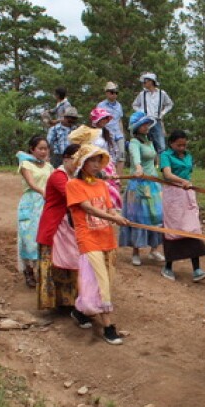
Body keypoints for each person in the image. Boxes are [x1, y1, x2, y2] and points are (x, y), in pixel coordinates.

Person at [66, 145, 130, 345]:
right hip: (88, 239)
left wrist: (117, 216)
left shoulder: (101, 185)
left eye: (98, 161)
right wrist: (114, 218)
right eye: (91, 161)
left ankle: (79, 310)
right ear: (82, 163)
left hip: (106, 238)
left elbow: (110, 209)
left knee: (105, 281)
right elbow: (87, 208)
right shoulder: (73, 185)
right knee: (100, 282)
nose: (95, 165)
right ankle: (108, 327)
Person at [35, 143, 92, 328]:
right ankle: (64, 303)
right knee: (57, 264)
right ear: (66, 158)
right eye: (76, 160)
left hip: (67, 226)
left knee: (71, 263)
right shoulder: (59, 177)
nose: (78, 164)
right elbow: (73, 196)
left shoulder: (72, 176)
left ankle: (70, 302)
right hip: (55, 226)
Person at [160, 130, 205, 282]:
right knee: (174, 230)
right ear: (171, 143)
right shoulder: (165, 156)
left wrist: (186, 184)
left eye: (184, 144)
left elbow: (188, 172)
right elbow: (167, 174)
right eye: (178, 145)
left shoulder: (188, 155)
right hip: (173, 195)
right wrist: (182, 182)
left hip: (187, 194)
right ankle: (168, 266)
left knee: (192, 228)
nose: (182, 148)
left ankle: (197, 269)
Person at [119, 112, 164, 266]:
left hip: (153, 184)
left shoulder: (150, 141)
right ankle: (136, 252)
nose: (146, 127)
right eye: (143, 125)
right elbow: (135, 157)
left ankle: (154, 250)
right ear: (137, 128)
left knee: (157, 215)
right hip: (139, 184)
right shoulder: (134, 142)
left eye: (147, 124)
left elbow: (154, 159)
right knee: (138, 217)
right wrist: (138, 168)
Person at [17, 136, 54, 288]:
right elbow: (31, 183)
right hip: (31, 203)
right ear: (32, 149)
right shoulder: (25, 164)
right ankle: (28, 270)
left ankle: (43, 270)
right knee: (28, 238)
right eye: (40, 148)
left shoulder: (49, 166)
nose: (43, 151)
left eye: (45, 148)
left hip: (46, 203)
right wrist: (42, 191)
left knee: (44, 236)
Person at [132, 72, 173, 155]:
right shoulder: (142, 94)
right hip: (145, 121)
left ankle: (163, 166)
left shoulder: (162, 93)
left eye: (145, 81)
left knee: (161, 145)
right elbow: (134, 105)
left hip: (156, 121)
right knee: (145, 143)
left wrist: (162, 113)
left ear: (151, 81)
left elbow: (170, 104)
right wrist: (141, 113)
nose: (144, 83)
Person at [95, 81, 126, 171]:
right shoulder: (101, 105)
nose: (114, 95)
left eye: (116, 92)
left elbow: (119, 120)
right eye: (112, 92)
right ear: (107, 93)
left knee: (121, 156)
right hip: (107, 134)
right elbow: (97, 121)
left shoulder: (119, 105)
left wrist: (122, 134)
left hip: (118, 134)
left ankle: (118, 179)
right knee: (108, 156)